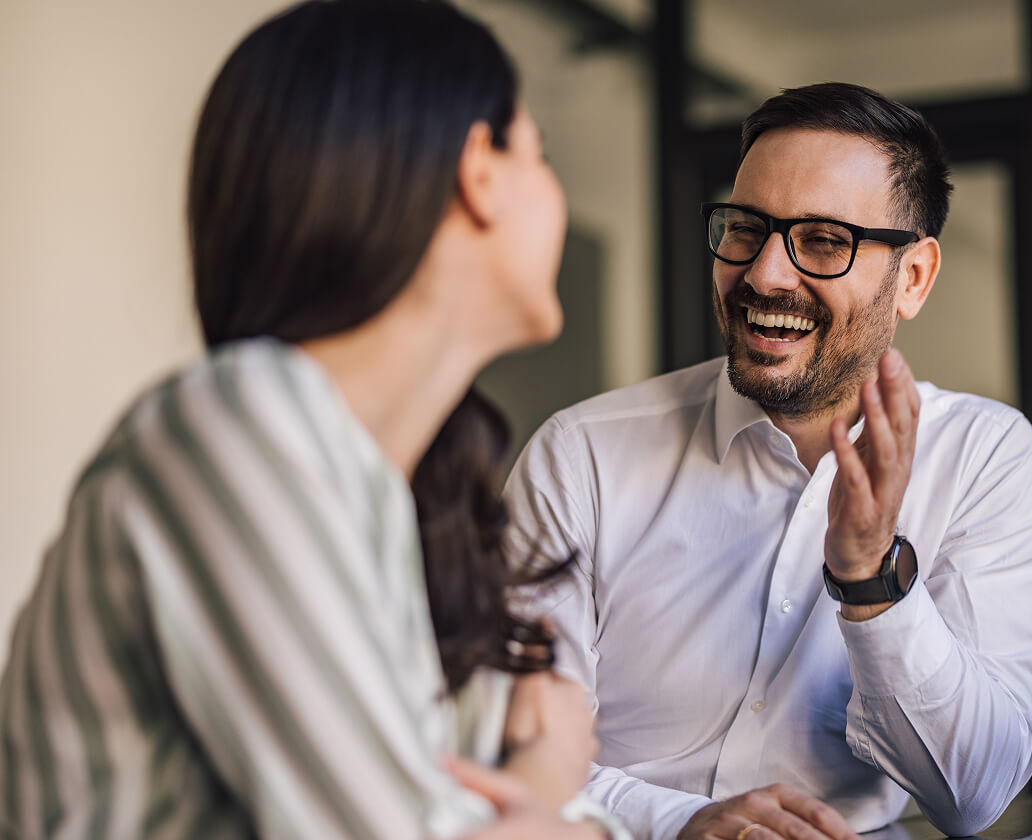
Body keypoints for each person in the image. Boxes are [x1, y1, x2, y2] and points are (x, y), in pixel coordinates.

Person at [0, 2, 606, 838]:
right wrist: (550, 782)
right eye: (538, 154)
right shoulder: (236, 424)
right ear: (480, 170)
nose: (559, 199)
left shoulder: (392, 507)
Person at [505, 82, 1032, 840]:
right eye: (744, 228)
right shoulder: (581, 456)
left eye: (823, 241)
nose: (764, 275)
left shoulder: (984, 455)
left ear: (914, 278)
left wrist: (872, 580)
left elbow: (974, 797)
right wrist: (681, 823)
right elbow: (510, 752)